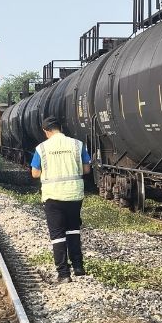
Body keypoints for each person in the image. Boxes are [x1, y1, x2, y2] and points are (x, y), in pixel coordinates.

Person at [32, 116, 92, 283]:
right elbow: (86, 169)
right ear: (60, 128)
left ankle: (64, 274)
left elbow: (35, 173)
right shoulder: (77, 144)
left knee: (58, 235)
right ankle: (79, 267)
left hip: (53, 197)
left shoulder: (41, 148)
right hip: (74, 194)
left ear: (46, 131)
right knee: (73, 230)